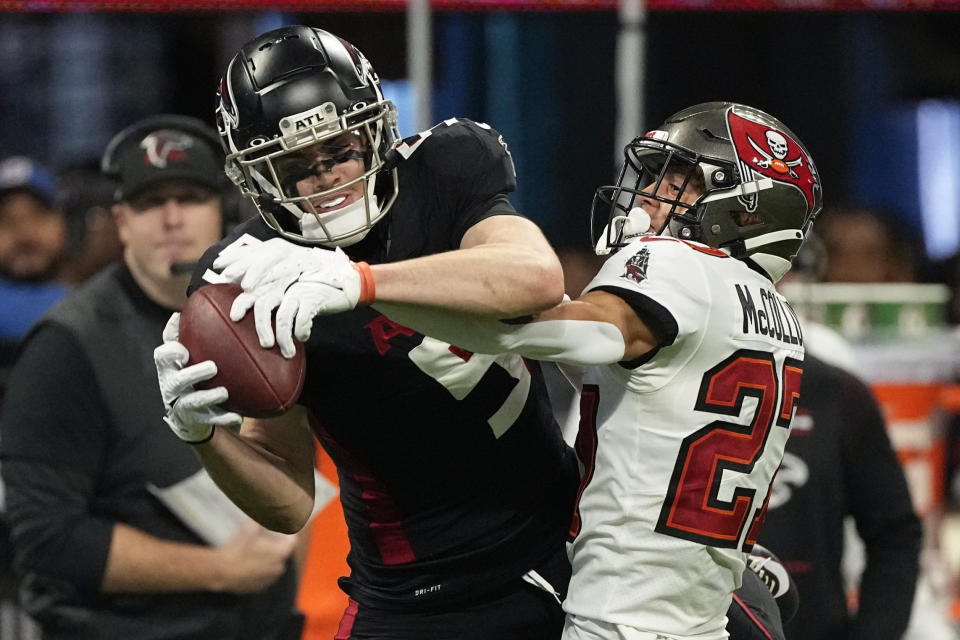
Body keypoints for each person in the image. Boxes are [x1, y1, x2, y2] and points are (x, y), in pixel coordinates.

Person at [240, 101, 819, 639]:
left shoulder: (679, 268)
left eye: (679, 182)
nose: (650, 194)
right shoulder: (777, 318)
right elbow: (637, 396)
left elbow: (535, 327)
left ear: (745, 210)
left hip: (618, 619)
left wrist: (362, 284)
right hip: (699, 603)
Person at [154, 25, 577, 640]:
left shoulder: (442, 171)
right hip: (413, 596)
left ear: (377, 133)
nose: (327, 176)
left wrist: (358, 281)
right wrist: (203, 439)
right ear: (259, 179)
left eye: (340, 150)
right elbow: (290, 502)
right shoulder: (244, 277)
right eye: (298, 166)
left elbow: (536, 276)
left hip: (560, 548)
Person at [0, 114, 304, 640]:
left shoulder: (261, 314)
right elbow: (44, 537)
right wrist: (221, 570)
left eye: (189, 197)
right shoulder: (66, 345)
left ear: (224, 212)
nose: (171, 219)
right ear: (120, 222)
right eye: (148, 202)